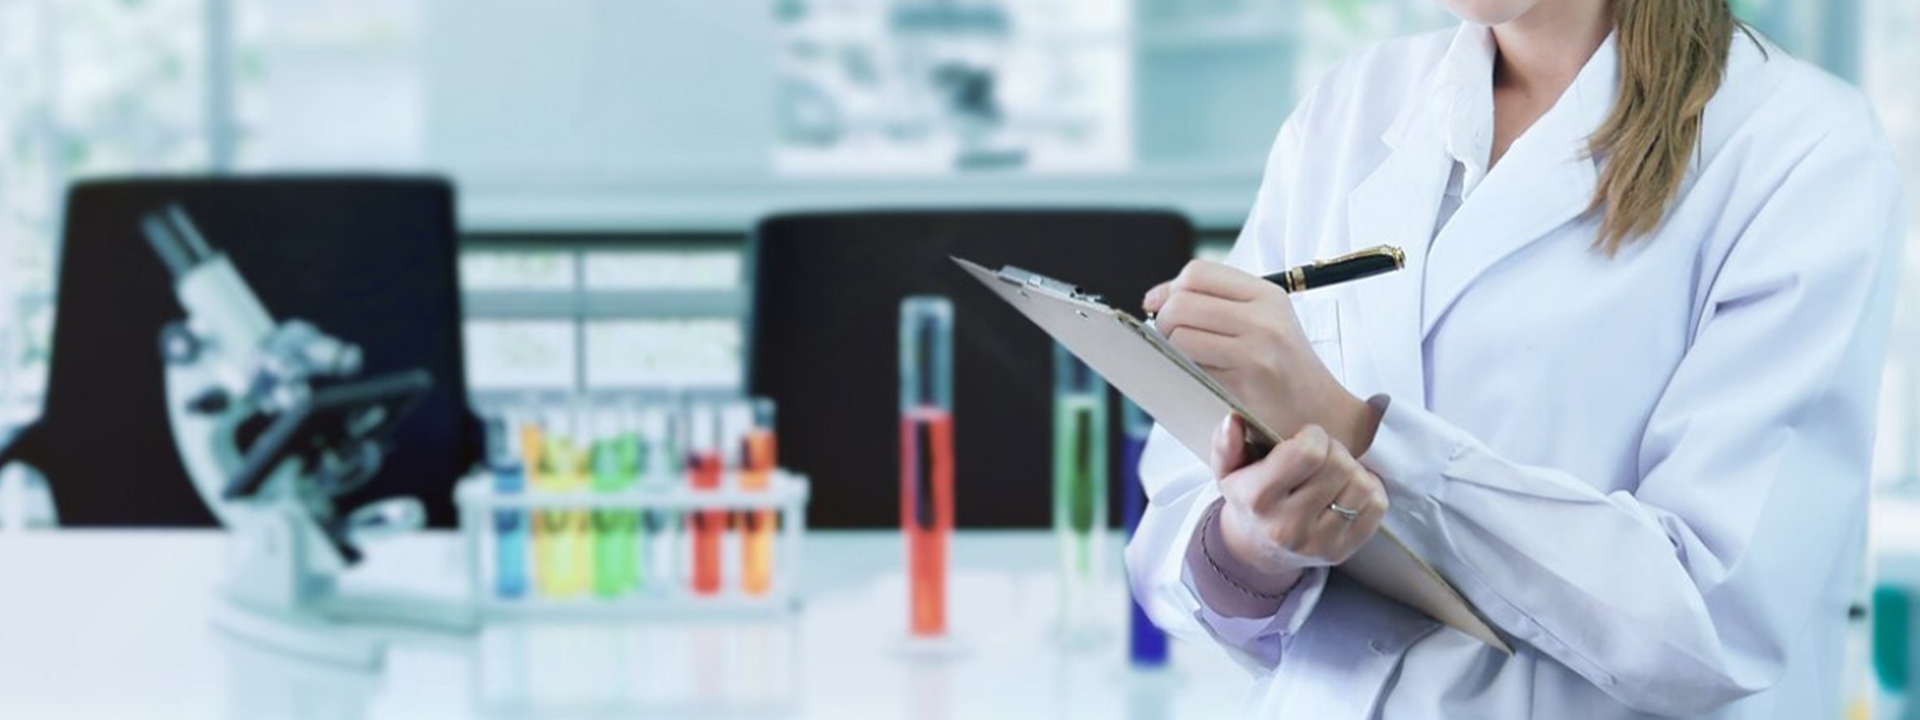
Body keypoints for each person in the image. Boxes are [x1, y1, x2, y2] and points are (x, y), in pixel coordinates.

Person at [1124, 0, 1905, 717]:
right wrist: (1256, 546)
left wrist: (1358, 435)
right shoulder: (1353, 104)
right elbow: (1175, 537)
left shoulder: (1803, 151)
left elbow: (1716, 621)